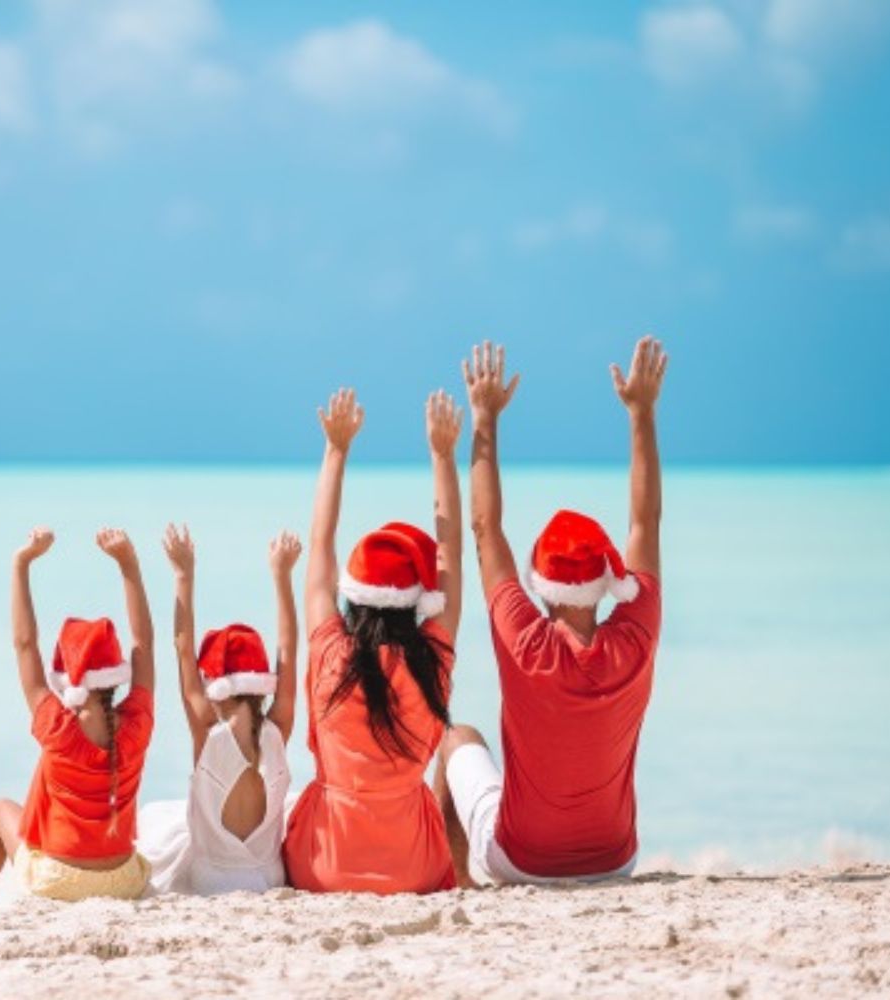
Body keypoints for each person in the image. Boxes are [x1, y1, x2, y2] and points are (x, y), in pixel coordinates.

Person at [439, 337, 667, 886]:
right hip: (616, 860)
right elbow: (646, 522)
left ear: (540, 586)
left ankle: (456, 885)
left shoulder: (524, 638)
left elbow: (484, 528)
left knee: (454, 738)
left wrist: (485, 419)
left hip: (521, 862)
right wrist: (641, 414)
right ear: (609, 581)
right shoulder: (635, 633)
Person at [283, 387, 466, 894]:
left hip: (322, 868)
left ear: (352, 596)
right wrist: (443, 455)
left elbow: (320, 543)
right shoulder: (431, 658)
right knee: (460, 743)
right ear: (416, 601)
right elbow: (450, 558)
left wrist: (336, 450)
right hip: (414, 869)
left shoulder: (330, 654)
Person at [0, 526, 156, 908]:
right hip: (123, 880)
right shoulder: (137, 723)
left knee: (1, 810)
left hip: (60, 880)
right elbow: (144, 644)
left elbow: (24, 643)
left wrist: (22, 563)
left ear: (65, 675)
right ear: (115, 673)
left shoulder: (56, 725)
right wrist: (129, 565)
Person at [137, 525, 301, 895]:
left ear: (216, 686)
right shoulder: (279, 726)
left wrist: (183, 574)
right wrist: (283, 576)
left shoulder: (207, 731)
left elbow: (182, 647)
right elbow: (289, 650)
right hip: (269, 876)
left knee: (153, 822)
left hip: (211, 880)